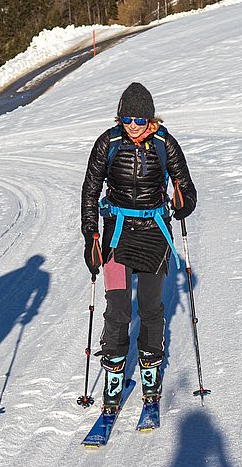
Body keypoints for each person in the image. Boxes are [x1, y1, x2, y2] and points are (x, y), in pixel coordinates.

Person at [80, 82, 197, 411]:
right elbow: (90, 189)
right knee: (117, 311)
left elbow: (185, 186)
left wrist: (184, 202)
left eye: (139, 120)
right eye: (127, 119)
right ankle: (114, 377)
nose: (133, 126)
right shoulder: (108, 142)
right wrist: (90, 235)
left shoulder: (164, 143)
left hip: (155, 236)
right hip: (116, 235)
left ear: (151, 119)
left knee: (151, 308)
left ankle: (150, 372)